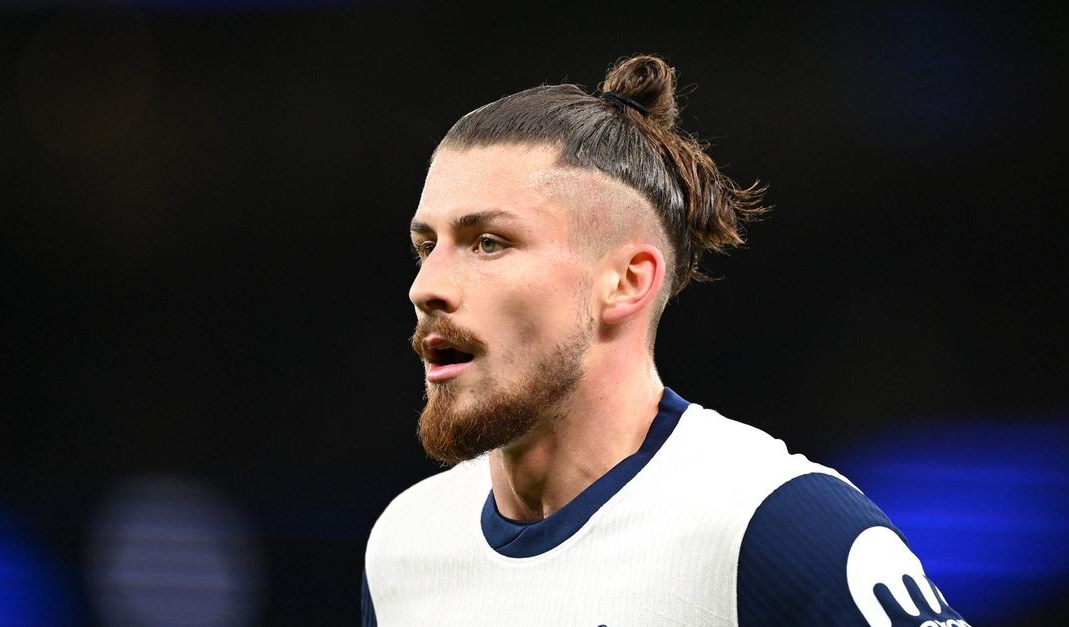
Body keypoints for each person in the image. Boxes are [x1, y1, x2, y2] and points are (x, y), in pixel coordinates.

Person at [362, 55, 968, 627]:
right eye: (426, 246)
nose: (426, 286)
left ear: (627, 282)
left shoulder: (773, 522)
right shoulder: (404, 545)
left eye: (489, 243)